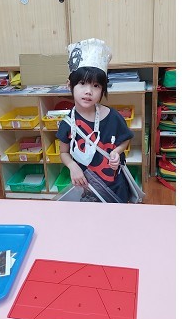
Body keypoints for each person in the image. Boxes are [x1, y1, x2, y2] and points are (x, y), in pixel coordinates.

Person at [56, 38, 134, 203]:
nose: (88, 91)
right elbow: (64, 153)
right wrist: (72, 166)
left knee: (116, 218)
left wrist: (116, 151)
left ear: (103, 89)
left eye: (96, 86)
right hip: (86, 187)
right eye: (82, 83)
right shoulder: (67, 123)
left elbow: (125, 140)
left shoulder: (113, 117)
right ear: (69, 85)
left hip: (115, 186)